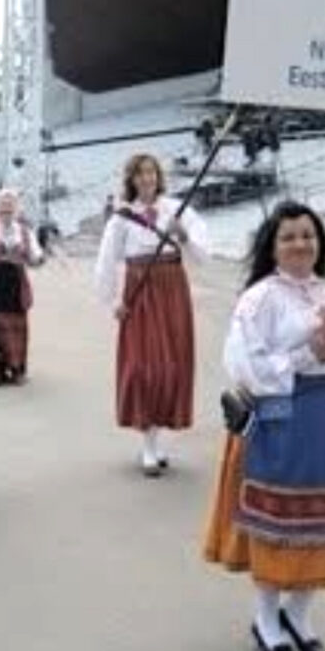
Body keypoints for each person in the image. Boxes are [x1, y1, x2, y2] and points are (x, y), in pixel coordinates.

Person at [202, 201, 325, 651]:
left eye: (308, 234)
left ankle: (300, 615)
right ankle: (265, 616)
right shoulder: (259, 298)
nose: (301, 243)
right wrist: (307, 353)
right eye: (289, 236)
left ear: (320, 241)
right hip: (282, 416)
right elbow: (247, 365)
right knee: (276, 523)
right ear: (273, 246)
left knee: (323, 525)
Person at [94, 153, 209, 476]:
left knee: (171, 367)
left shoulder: (177, 210)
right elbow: (107, 262)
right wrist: (113, 300)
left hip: (172, 289)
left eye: (152, 173)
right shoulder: (122, 217)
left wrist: (182, 234)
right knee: (144, 368)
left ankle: (157, 438)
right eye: (140, 174)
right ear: (131, 180)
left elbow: (202, 255)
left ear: (159, 177)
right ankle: (148, 444)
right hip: (139, 291)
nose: (147, 179)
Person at [0, 189, 42, 385]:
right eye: (3, 206)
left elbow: (34, 255)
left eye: (10, 206)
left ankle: (16, 368)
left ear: (15, 208)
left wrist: (38, 258)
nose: (6, 209)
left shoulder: (24, 231)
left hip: (15, 282)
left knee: (17, 326)